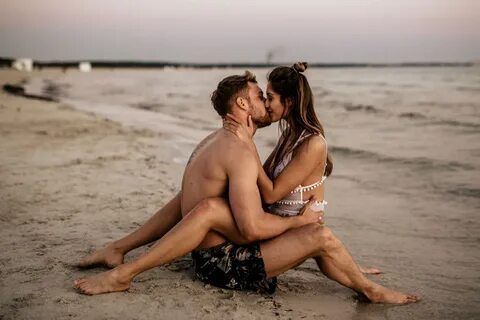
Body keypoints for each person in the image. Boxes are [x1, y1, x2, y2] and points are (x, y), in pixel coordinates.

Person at [74, 64, 417, 304]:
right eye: (259, 96)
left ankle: (118, 250)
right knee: (318, 236)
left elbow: (201, 204)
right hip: (226, 265)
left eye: (269, 97)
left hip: (209, 254)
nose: (266, 104)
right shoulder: (239, 149)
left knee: (213, 206)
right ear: (242, 104)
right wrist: (300, 221)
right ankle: (369, 289)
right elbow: (252, 227)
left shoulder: (217, 140)